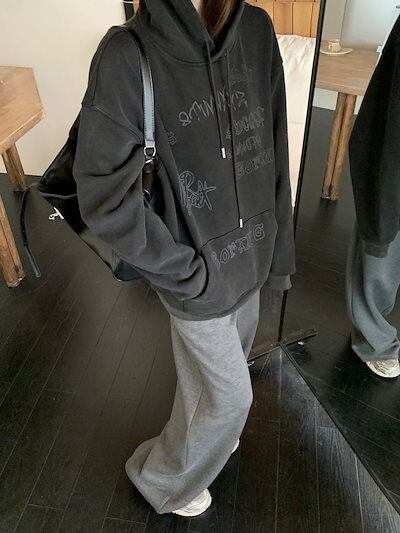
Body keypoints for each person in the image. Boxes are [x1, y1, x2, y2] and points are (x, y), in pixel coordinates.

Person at [72, 0, 295, 516]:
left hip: (251, 256)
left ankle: (207, 441)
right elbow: (104, 199)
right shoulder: (126, 54)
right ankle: (162, 480)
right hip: (193, 274)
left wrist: (277, 248)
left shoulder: (257, 29)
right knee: (230, 398)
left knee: (210, 390)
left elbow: (275, 142)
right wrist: (187, 275)